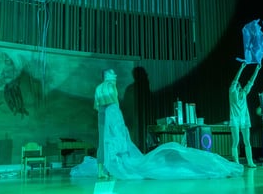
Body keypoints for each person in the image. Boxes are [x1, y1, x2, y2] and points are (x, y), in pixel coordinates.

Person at [93, 68, 243, 180]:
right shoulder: (111, 87)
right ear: (108, 77)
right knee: (117, 146)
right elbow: (115, 107)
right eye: (113, 75)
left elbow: (97, 107)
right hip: (113, 120)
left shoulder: (99, 89)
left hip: (102, 118)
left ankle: (101, 171)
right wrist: (120, 127)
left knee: (103, 144)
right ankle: (110, 169)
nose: (115, 77)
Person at [229, 62, 260, 167]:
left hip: (244, 119)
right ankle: (236, 162)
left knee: (247, 141)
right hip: (235, 119)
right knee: (236, 141)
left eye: (239, 85)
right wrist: (241, 68)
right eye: (236, 85)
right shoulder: (232, 92)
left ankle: (250, 161)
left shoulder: (243, 93)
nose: (238, 85)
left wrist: (257, 69)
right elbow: (235, 80)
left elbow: (251, 82)